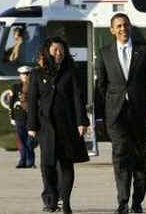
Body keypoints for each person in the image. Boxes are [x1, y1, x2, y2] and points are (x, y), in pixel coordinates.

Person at [96, 13, 146, 214]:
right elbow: (101, 85)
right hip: (116, 114)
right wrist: (108, 105)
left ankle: (137, 202)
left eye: (126, 25)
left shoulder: (145, 51)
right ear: (112, 30)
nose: (123, 29)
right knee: (121, 155)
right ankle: (123, 202)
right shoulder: (104, 52)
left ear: (130, 27)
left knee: (140, 159)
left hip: (140, 112)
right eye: (119, 26)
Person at [27, 37, 90, 214]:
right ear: (48, 51)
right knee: (47, 165)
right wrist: (31, 125)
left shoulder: (71, 72)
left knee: (66, 164)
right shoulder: (37, 74)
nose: (58, 53)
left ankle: (66, 201)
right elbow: (32, 101)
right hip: (45, 126)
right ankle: (50, 200)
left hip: (67, 125)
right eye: (55, 49)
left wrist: (81, 121)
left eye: (61, 50)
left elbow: (78, 98)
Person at [9, 65, 35, 168]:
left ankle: (30, 161)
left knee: (30, 141)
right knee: (21, 140)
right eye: (23, 74)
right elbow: (11, 104)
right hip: (19, 117)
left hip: (31, 117)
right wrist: (12, 117)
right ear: (20, 75)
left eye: (27, 74)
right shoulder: (15, 87)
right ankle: (22, 160)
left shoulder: (34, 86)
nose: (25, 76)